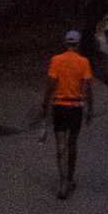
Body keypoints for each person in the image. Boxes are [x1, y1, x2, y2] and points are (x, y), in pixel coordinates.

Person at [42, 30, 93, 199]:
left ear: (65, 43)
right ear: (78, 44)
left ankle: (63, 181)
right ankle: (70, 179)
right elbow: (87, 87)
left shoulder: (56, 60)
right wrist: (89, 108)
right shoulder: (84, 62)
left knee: (60, 146)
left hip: (60, 106)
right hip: (76, 107)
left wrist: (45, 103)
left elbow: (51, 83)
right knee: (73, 145)